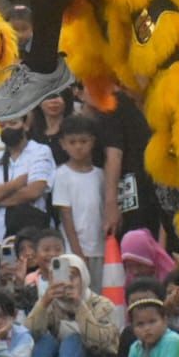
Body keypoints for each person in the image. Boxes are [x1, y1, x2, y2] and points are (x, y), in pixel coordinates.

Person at [18, 255, 121, 357]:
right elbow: (25, 338)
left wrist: (79, 305)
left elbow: (100, 343)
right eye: (59, 278)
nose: (66, 283)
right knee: (44, 340)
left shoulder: (103, 304)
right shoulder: (50, 304)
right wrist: (43, 302)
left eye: (72, 277)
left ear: (83, 278)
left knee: (74, 339)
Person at [0, 114, 56, 282]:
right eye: (3, 123)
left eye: (13, 123)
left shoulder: (40, 151)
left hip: (30, 239)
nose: (7, 127)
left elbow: (34, 191)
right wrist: (17, 184)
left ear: (25, 125)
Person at [94, 96, 158, 246]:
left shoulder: (154, 101)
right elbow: (114, 155)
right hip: (133, 193)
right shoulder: (114, 104)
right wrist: (111, 204)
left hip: (156, 189)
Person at [51, 114, 105, 286]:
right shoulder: (62, 174)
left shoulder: (101, 174)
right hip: (73, 250)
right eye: (72, 142)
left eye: (83, 141)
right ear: (63, 144)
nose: (78, 147)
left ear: (93, 141)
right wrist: (77, 252)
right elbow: (66, 216)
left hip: (100, 248)